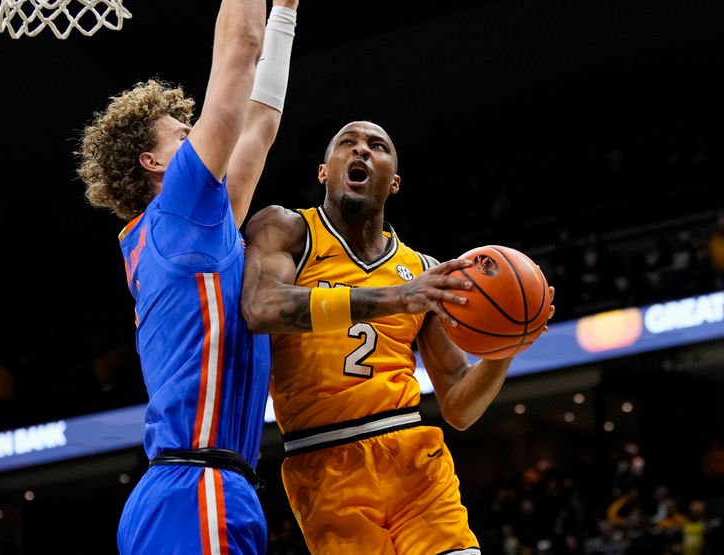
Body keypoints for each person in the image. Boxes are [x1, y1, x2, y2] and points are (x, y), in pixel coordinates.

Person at [241, 120, 556, 554]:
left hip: (412, 457)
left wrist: (505, 348)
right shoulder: (288, 230)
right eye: (347, 143)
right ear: (323, 171)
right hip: (325, 461)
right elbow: (260, 308)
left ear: (394, 182)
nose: (361, 151)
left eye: (377, 146)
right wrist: (396, 298)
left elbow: (460, 407)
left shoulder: (424, 270)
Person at [76, 0, 299, 553]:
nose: (199, 133)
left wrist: (286, 12)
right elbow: (239, 52)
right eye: (182, 131)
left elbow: (261, 123)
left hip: (200, 486)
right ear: (155, 164)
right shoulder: (179, 207)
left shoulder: (191, 226)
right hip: (195, 487)